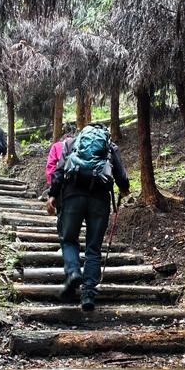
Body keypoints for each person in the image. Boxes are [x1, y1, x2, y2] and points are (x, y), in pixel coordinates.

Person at [48, 123, 130, 311]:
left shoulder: (70, 144)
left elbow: (59, 171)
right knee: (93, 248)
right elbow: (121, 176)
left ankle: (73, 272)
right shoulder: (110, 146)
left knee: (68, 240)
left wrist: (52, 195)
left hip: (72, 197)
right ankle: (88, 295)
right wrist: (124, 190)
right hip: (99, 201)